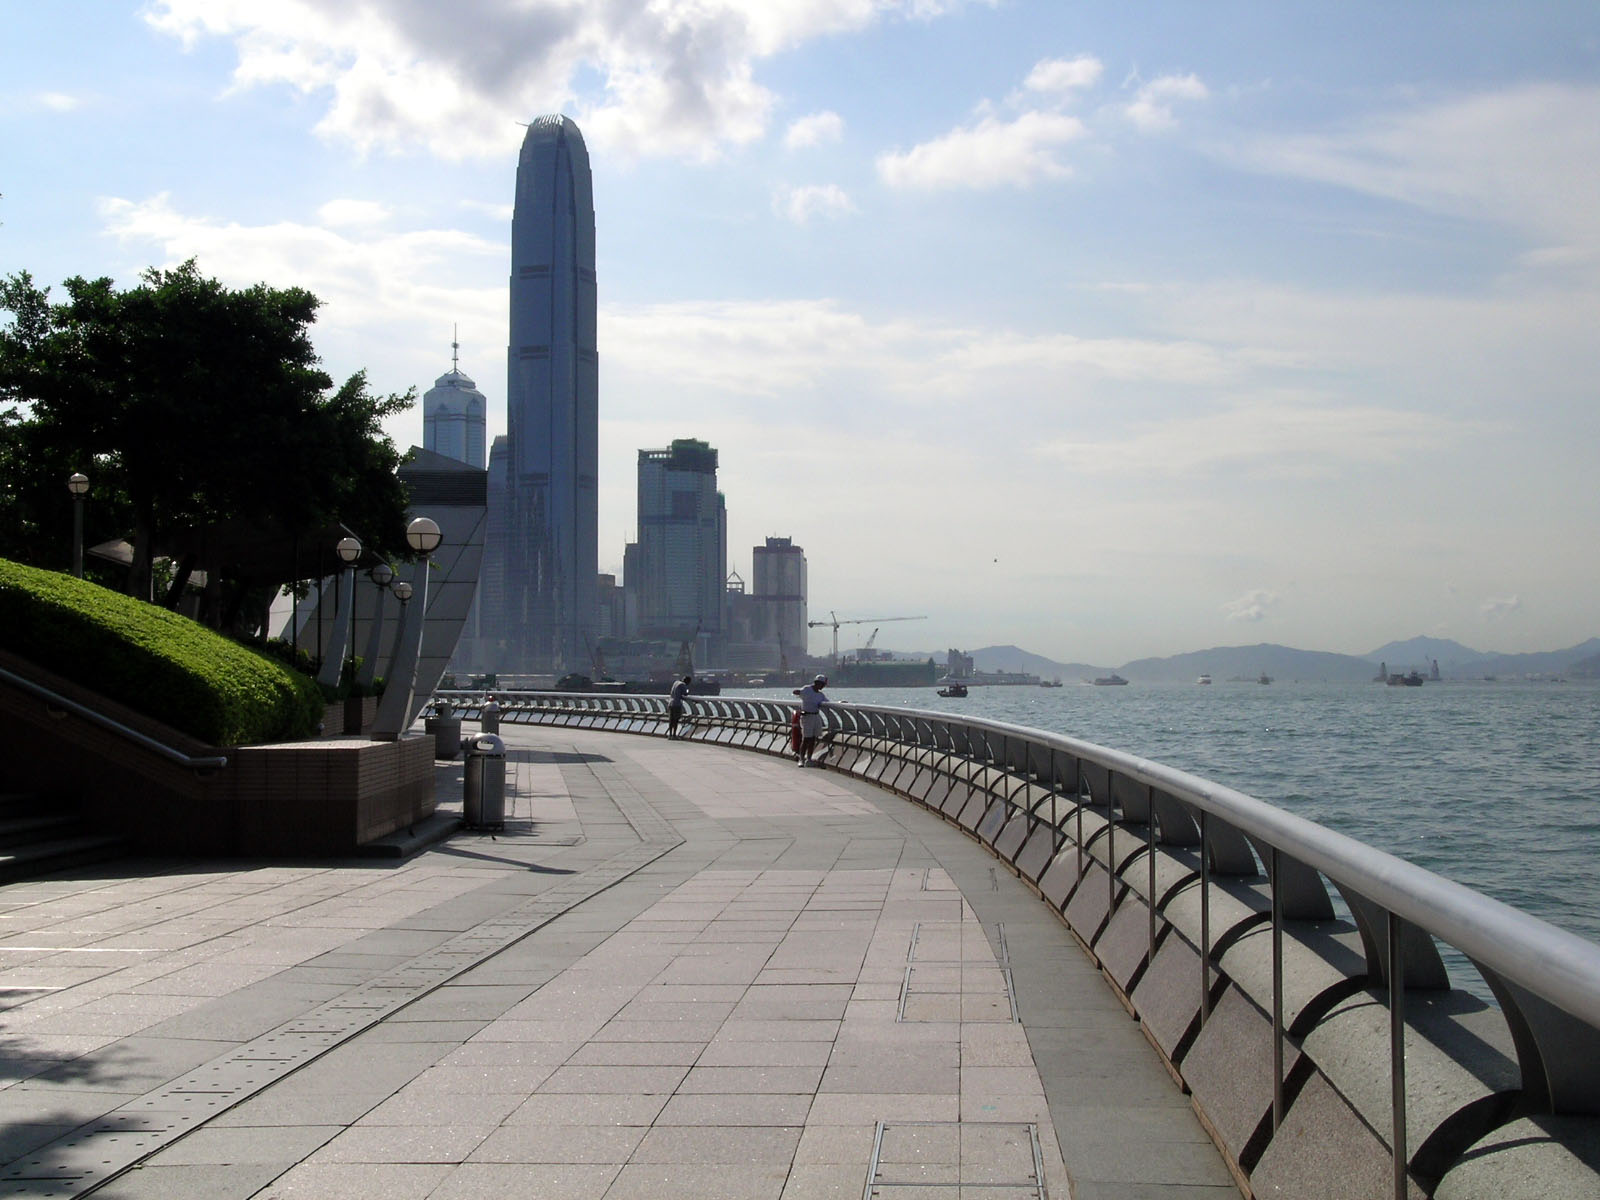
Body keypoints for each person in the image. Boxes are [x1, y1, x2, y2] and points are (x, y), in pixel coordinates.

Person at [791, 674, 838, 766]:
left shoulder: (820, 695)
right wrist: (798, 692)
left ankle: (809, 758)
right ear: (818, 683)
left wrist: (839, 703)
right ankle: (801, 759)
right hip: (806, 716)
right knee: (806, 738)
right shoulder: (807, 689)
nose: (823, 687)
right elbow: (797, 692)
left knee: (813, 738)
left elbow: (828, 703)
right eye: (823, 684)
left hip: (816, 716)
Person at [667, 674, 692, 739]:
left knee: (671, 720)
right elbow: (685, 693)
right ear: (687, 682)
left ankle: (670, 735)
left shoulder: (676, 683)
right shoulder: (683, 685)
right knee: (676, 720)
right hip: (677, 704)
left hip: (670, 703)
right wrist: (688, 690)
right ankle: (674, 735)